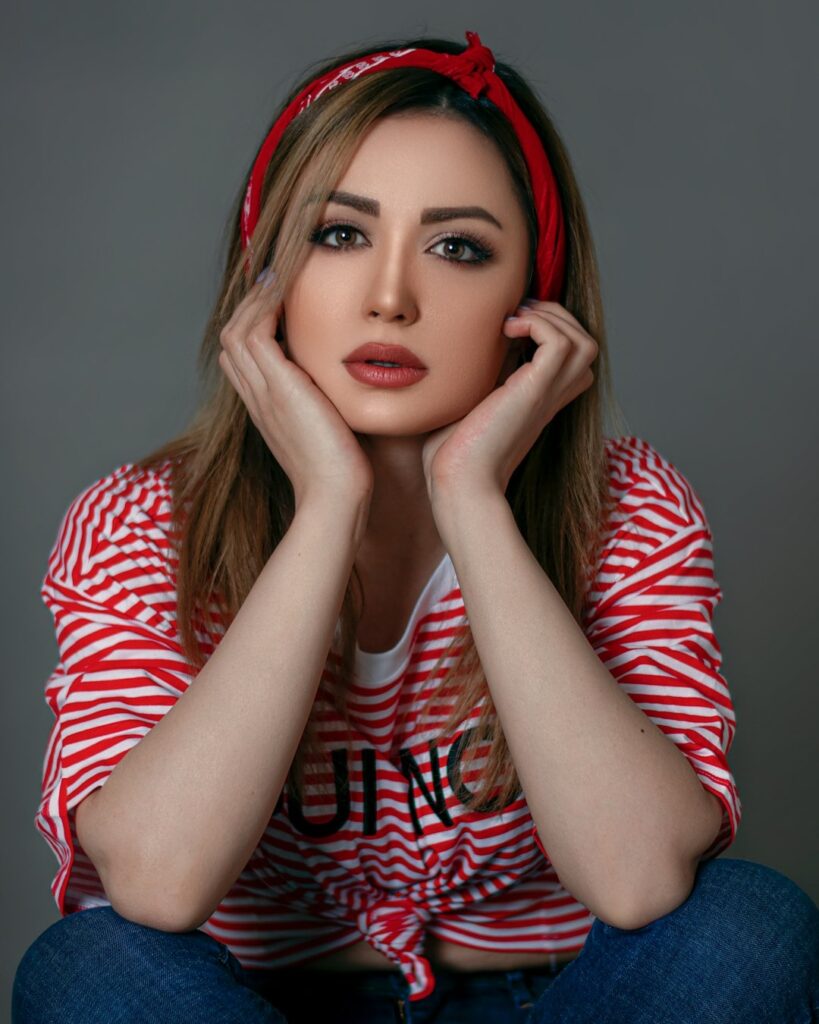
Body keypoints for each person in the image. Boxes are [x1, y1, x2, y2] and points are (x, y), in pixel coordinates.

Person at [12, 29, 818, 1024]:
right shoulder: (139, 522)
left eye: (458, 248)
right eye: (338, 235)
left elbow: (638, 879)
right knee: (85, 970)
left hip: (556, 1000)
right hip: (252, 1004)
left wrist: (473, 500)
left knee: (749, 925)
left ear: (532, 303)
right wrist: (327, 505)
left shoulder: (629, 507)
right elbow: (156, 884)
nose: (390, 298)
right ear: (263, 277)